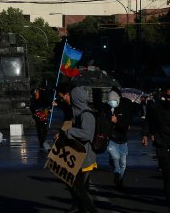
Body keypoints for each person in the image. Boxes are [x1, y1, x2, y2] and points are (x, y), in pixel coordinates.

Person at [54, 85, 98, 213]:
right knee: (78, 186)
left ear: (76, 99)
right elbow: (70, 124)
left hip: (86, 157)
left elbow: (87, 134)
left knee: (79, 187)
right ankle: (82, 208)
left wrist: (69, 132)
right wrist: (62, 133)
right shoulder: (78, 113)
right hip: (79, 155)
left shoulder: (86, 115)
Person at [142, 84, 170, 213]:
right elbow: (148, 121)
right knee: (169, 177)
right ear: (165, 96)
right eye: (169, 97)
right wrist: (145, 135)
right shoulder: (156, 107)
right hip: (162, 145)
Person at [105, 87, 133, 190]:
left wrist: (117, 122)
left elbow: (127, 126)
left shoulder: (125, 107)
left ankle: (120, 180)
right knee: (115, 157)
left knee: (123, 163)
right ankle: (116, 172)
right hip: (112, 139)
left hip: (123, 140)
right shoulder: (107, 108)